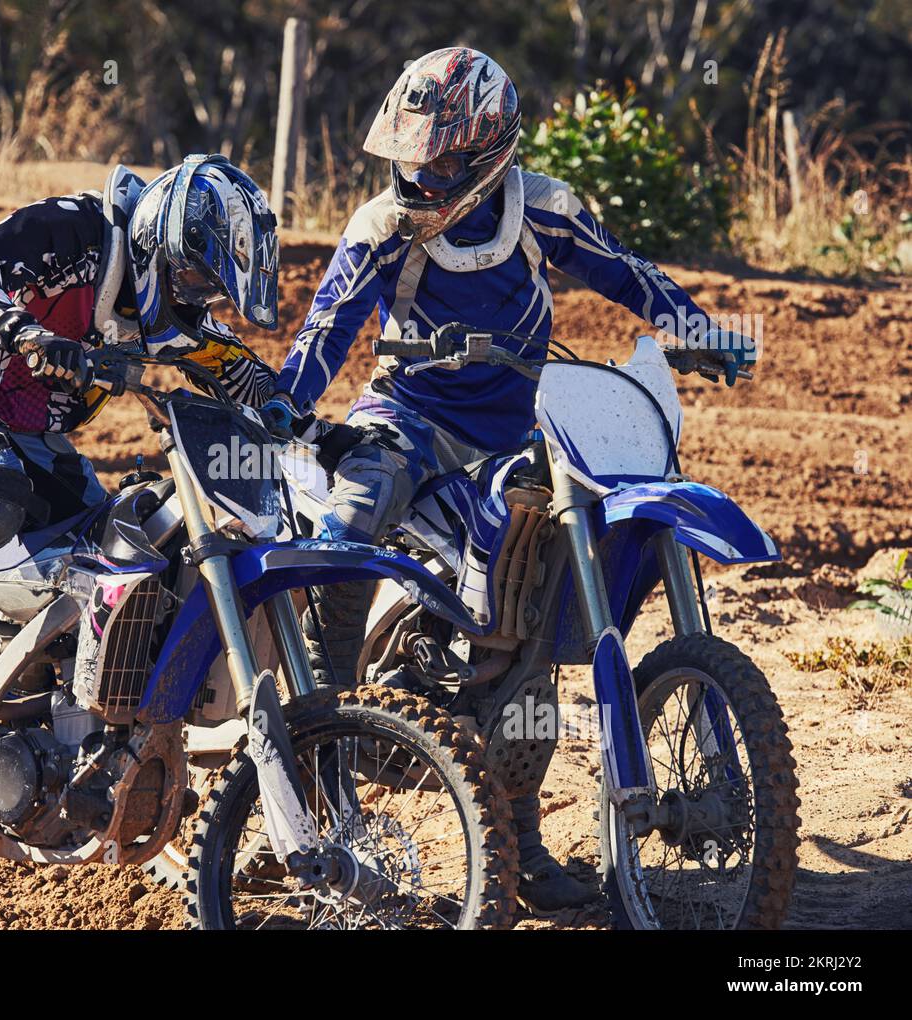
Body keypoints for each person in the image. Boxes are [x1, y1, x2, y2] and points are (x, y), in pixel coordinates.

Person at [262, 47, 755, 913]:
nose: (419, 173)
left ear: (489, 149)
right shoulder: (384, 225)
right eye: (411, 154)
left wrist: (699, 326)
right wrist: (282, 407)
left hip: (521, 436)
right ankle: (317, 759)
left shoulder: (544, 210)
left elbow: (626, 272)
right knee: (354, 513)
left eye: (439, 159)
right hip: (405, 421)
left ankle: (520, 845)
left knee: (539, 607)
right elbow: (327, 331)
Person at [0, 155, 280, 719]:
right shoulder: (76, 231)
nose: (196, 296)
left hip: (26, 431)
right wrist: (25, 333)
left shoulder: (174, 319)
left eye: (210, 290)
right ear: (158, 240)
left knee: (110, 556)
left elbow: (251, 381)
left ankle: (41, 712)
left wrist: (317, 435)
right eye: (194, 276)